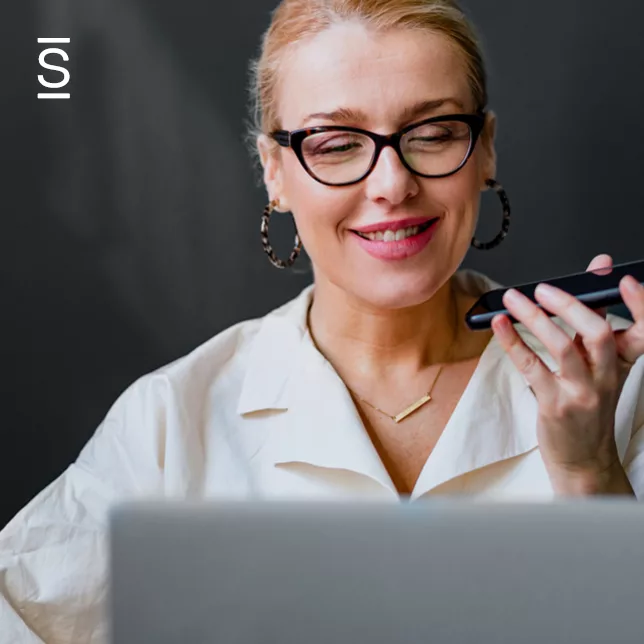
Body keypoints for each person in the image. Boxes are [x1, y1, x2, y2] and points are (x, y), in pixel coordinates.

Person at [2, 0, 644, 641]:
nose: (392, 183)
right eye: (336, 145)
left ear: (486, 151)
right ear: (275, 173)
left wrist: (592, 475)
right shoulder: (174, 420)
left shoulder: (618, 393)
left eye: (434, 132)